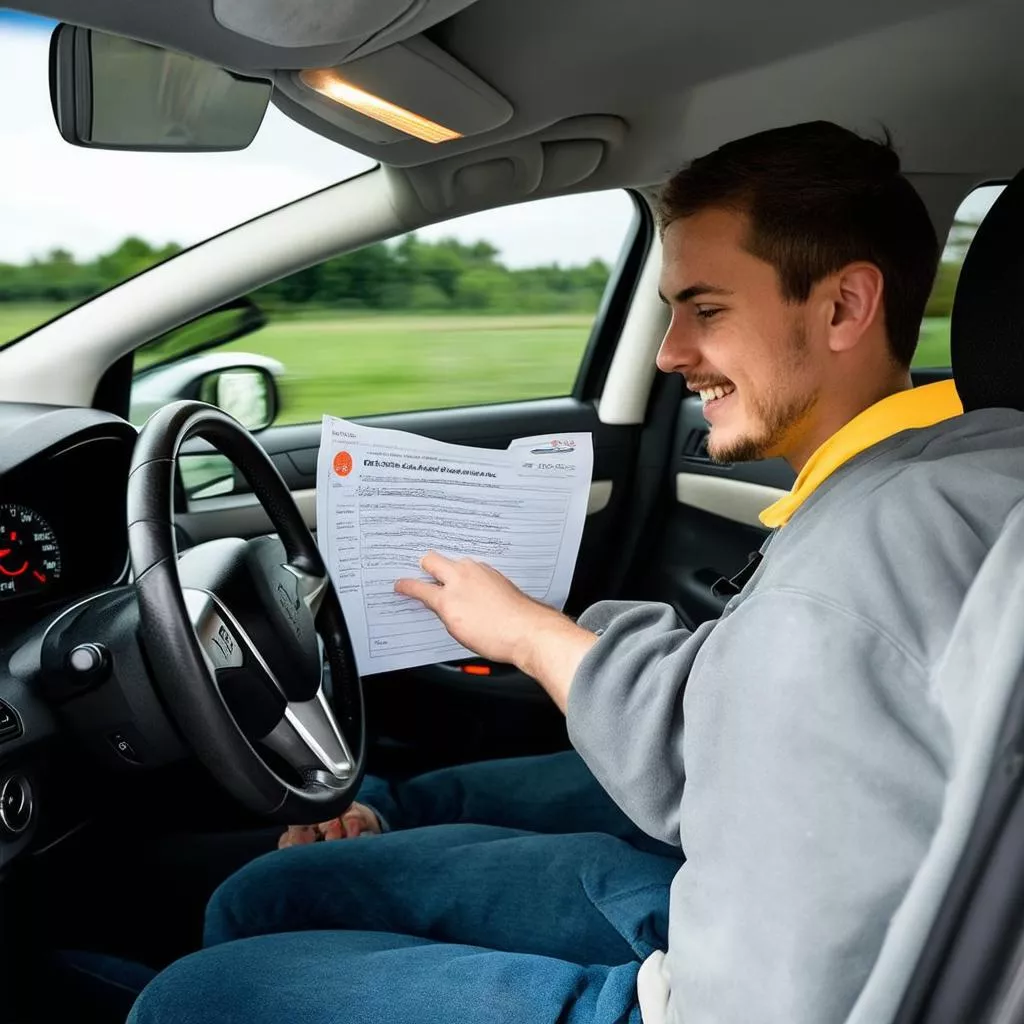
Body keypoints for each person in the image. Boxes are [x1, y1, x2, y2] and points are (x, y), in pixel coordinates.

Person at [128, 120, 1024, 1024]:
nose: (671, 353)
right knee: (281, 888)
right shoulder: (971, 466)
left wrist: (532, 635)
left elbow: (721, 783)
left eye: (707, 310)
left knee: (197, 994)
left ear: (843, 308)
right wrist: (538, 633)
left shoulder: (853, 565)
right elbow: (763, 726)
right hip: (723, 891)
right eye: (671, 309)